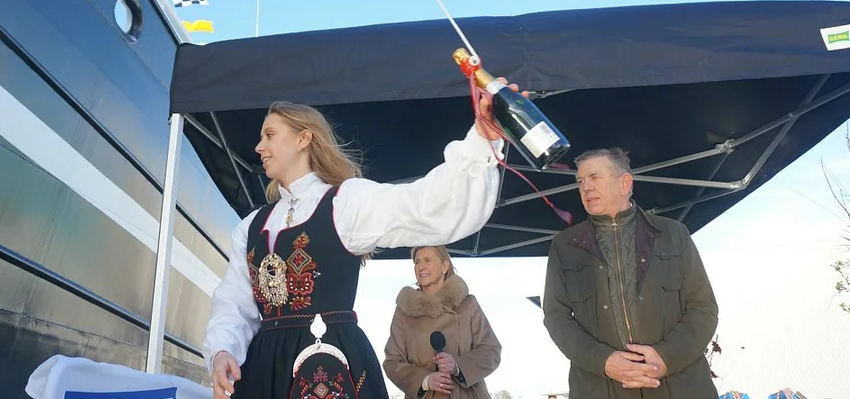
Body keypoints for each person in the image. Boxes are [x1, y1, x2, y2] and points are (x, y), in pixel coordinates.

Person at [203, 78, 522, 399]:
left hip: (329, 363)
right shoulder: (251, 226)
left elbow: (425, 205)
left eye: (270, 135)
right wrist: (221, 351)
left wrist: (481, 140)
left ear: (303, 139)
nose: (259, 147)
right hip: (263, 370)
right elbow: (233, 303)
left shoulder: (344, 203)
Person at [542, 147, 719, 397]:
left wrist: (666, 357)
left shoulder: (672, 234)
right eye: (580, 181)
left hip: (679, 387)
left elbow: (703, 308)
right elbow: (556, 316)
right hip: (600, 389)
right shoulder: (564, 245)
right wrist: (603, 361)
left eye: (595, 177)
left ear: (625, 183)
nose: (586, 187)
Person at [382, 245, 501, 398]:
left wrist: (457, 367)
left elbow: (491, 350)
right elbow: (392, 362)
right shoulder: (405, 310)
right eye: (417, 262)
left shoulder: (468, 304)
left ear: (445, 266)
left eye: (427, 260)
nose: (421, 267)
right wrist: (425, 380)